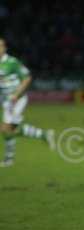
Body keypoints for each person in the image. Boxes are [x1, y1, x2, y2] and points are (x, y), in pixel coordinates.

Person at [0, 38, 55, 167]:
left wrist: (16, 94)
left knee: (6, 129)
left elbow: (27, 77)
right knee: (7, 130)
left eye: (1, 46)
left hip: (18, 100)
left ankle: (9, 159)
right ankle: (9, 159)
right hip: (7, 102)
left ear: (5, 48)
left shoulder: (12, 62)